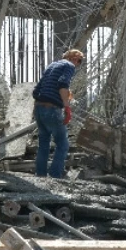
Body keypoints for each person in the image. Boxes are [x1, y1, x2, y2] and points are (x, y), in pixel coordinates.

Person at [32, 49, 84, 178]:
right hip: (51, 109)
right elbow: (62, 84)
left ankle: (41, 176)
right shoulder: (69, 65)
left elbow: (36, 90)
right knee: (62, 144)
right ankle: (55, 176)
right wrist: (66, 107)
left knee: (43, 143)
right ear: (74, 58)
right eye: (80, 61)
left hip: (39, 108)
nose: (78, 65)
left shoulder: (52, 65)